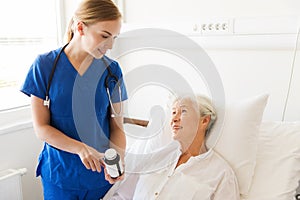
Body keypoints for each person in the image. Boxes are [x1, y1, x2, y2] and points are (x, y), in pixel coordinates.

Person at [20, 0, 127, 199]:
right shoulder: (44, 66)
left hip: (100, 179)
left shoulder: (112, 71)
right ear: (80, 27)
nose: (110, 45)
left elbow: (117, 127)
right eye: (104, 36)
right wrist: (80, 148)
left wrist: (118, 159)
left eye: (114, 38)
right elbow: (41, 128)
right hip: (60, 176)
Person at [103, 94, 240, 200]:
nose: (174, 118)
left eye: (183, 111)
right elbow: (123, 195)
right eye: (173, 112)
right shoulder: (155, 158)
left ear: (204, 120)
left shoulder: (221, 174)